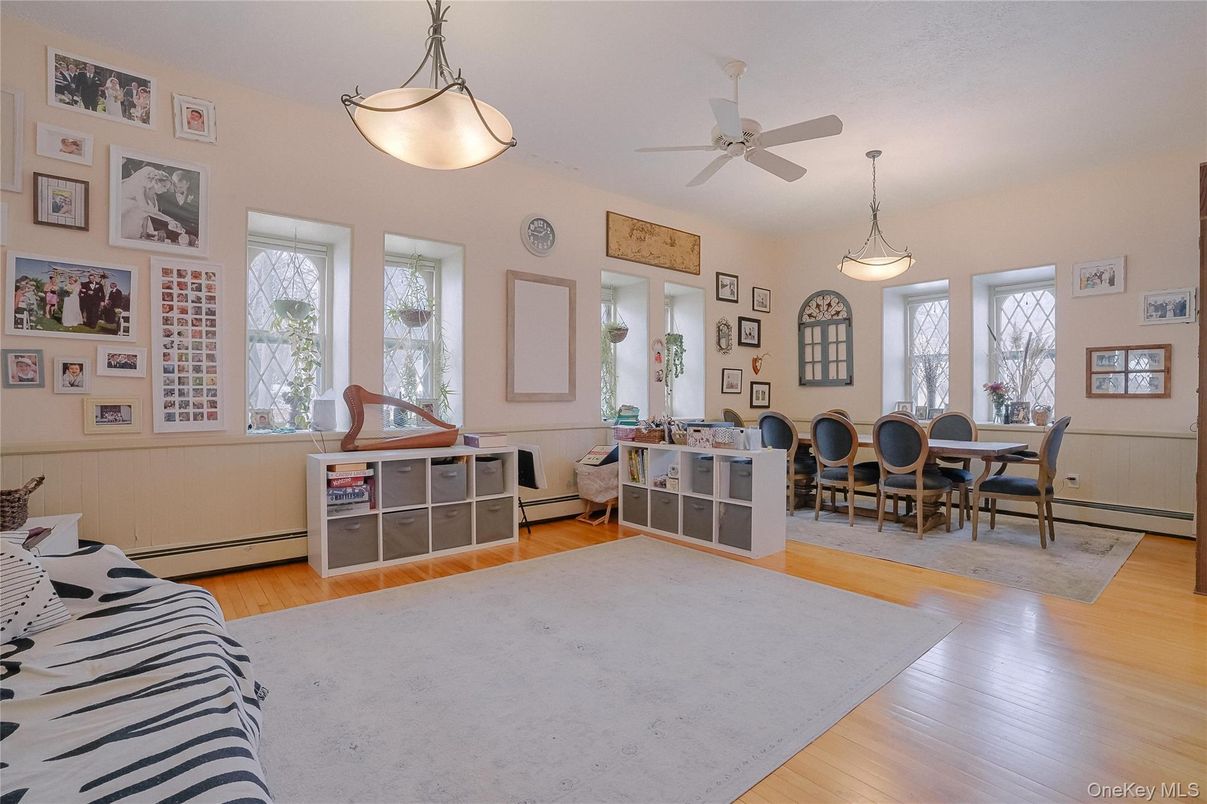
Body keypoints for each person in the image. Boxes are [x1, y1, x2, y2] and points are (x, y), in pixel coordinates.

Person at [118, 165, 178, 240]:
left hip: (136, 227)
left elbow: (145, 216)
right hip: (125, 221)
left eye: (166, 188)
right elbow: (146, 209)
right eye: (164, 186)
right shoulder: (140, 188)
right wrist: (169, 219)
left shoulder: (154, 199)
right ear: (156, 181)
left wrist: (144, 233)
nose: (165, 190)